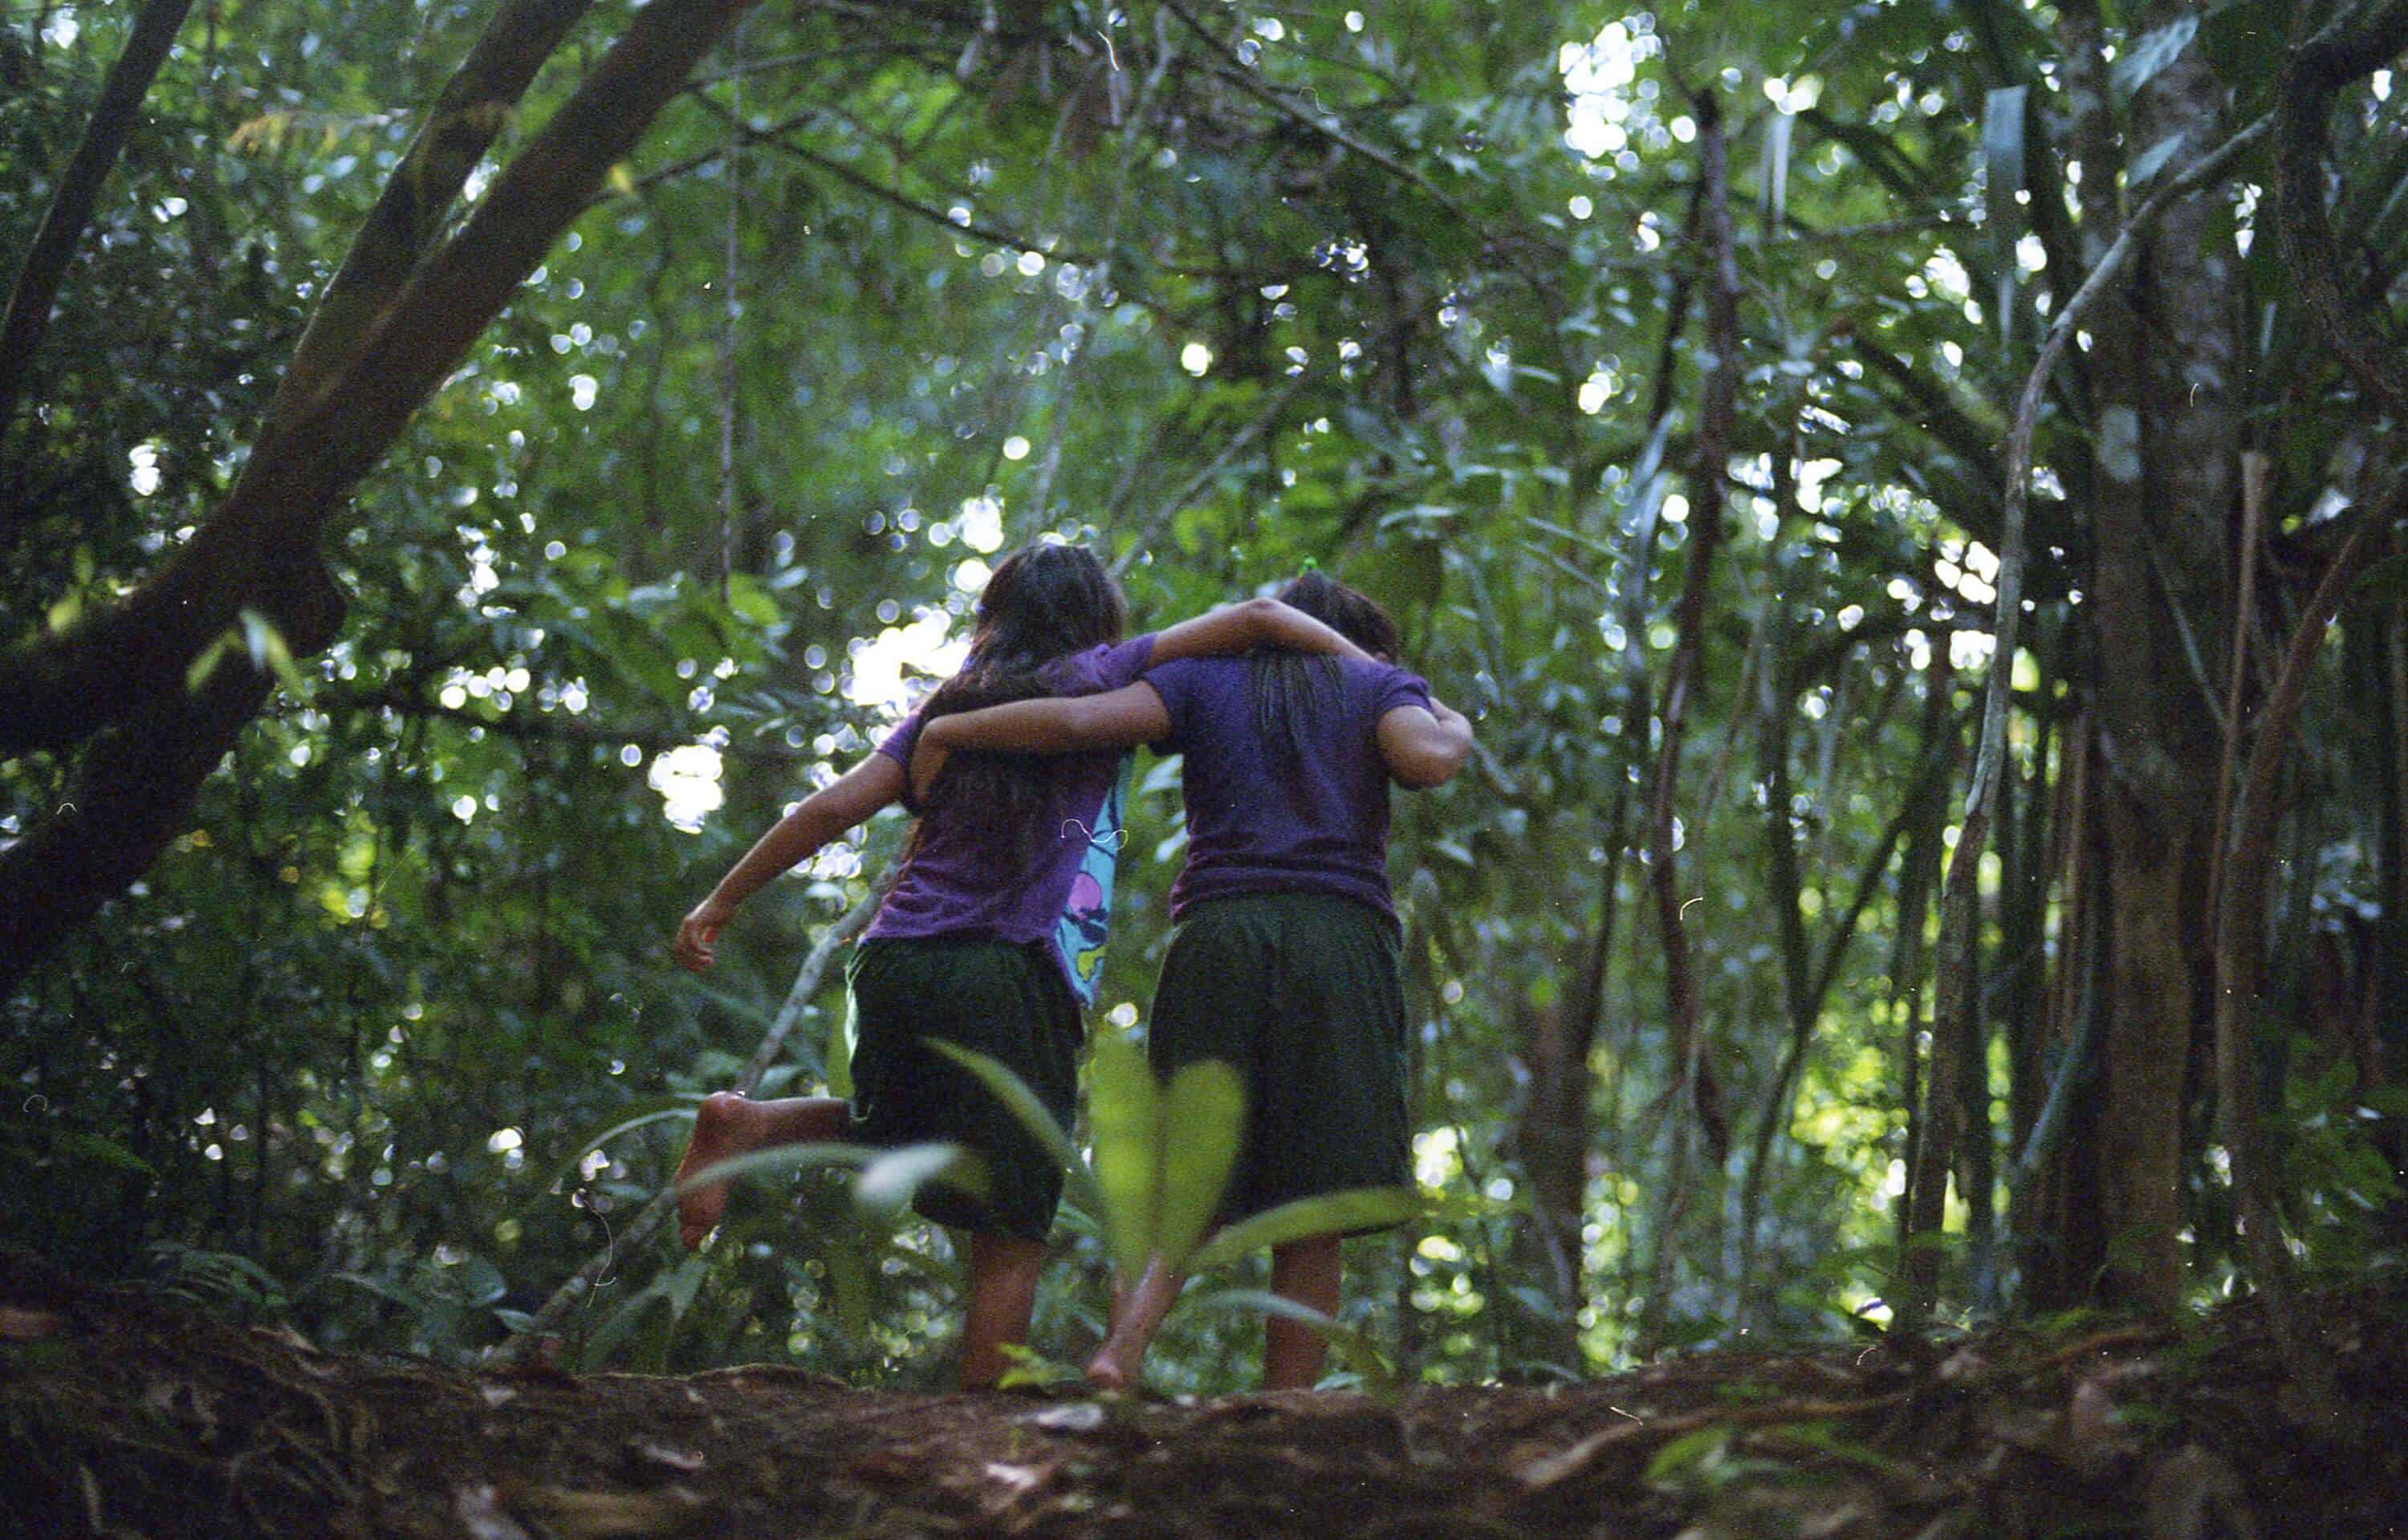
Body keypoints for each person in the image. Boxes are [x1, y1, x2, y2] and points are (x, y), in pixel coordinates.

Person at [667, 540, 1371, 1389]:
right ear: (1094, 618)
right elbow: (1258, 618)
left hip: (893, 960)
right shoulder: (1098, 673)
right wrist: (1379, 677)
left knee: (902, 1125)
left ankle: (751, 1124)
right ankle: (979, 1428)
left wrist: (722, 900)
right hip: (1009, 967)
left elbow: (832, 805)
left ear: (993, 618)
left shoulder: (946, 708)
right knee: (1014, 1222)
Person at [915, 568, 1473, 1391]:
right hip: (1337, 940)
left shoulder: (1207, 677)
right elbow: (1428, 761)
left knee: (1185, 1174)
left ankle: (1122, 1352)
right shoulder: (1376, 682)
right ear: (1352, 633)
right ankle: (1285, 1406)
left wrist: (952, 729)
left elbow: (1076, 721)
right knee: (1315, 1199)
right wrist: (1446, 714)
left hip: (1218, 937)